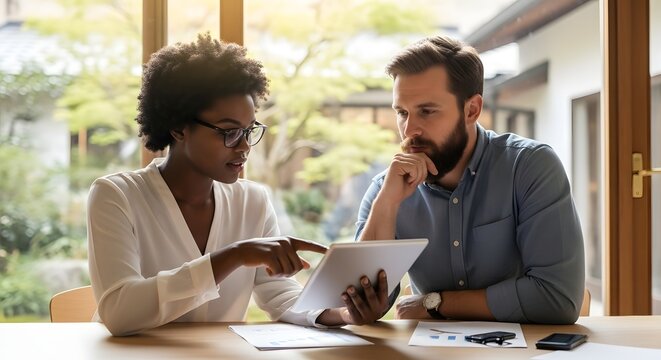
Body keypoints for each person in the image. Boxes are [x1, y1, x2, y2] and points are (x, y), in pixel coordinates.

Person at [87, 34, 383, 336]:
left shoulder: (252, 200)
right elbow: (120, 311)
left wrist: (343, 313)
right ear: (178, 128)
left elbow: (280, 294)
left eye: (249, 130)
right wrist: (233, 256)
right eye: (228, 132)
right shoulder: (116, 196)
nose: (244, 147)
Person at [354, 35, 585, 324]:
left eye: (427, 111)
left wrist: (434, 303)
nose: (409, 130)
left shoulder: (529, 167)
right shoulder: (387, 189)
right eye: (402, 113)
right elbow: (361, 305)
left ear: (471, 109)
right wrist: (386, 203)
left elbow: (557, 299)